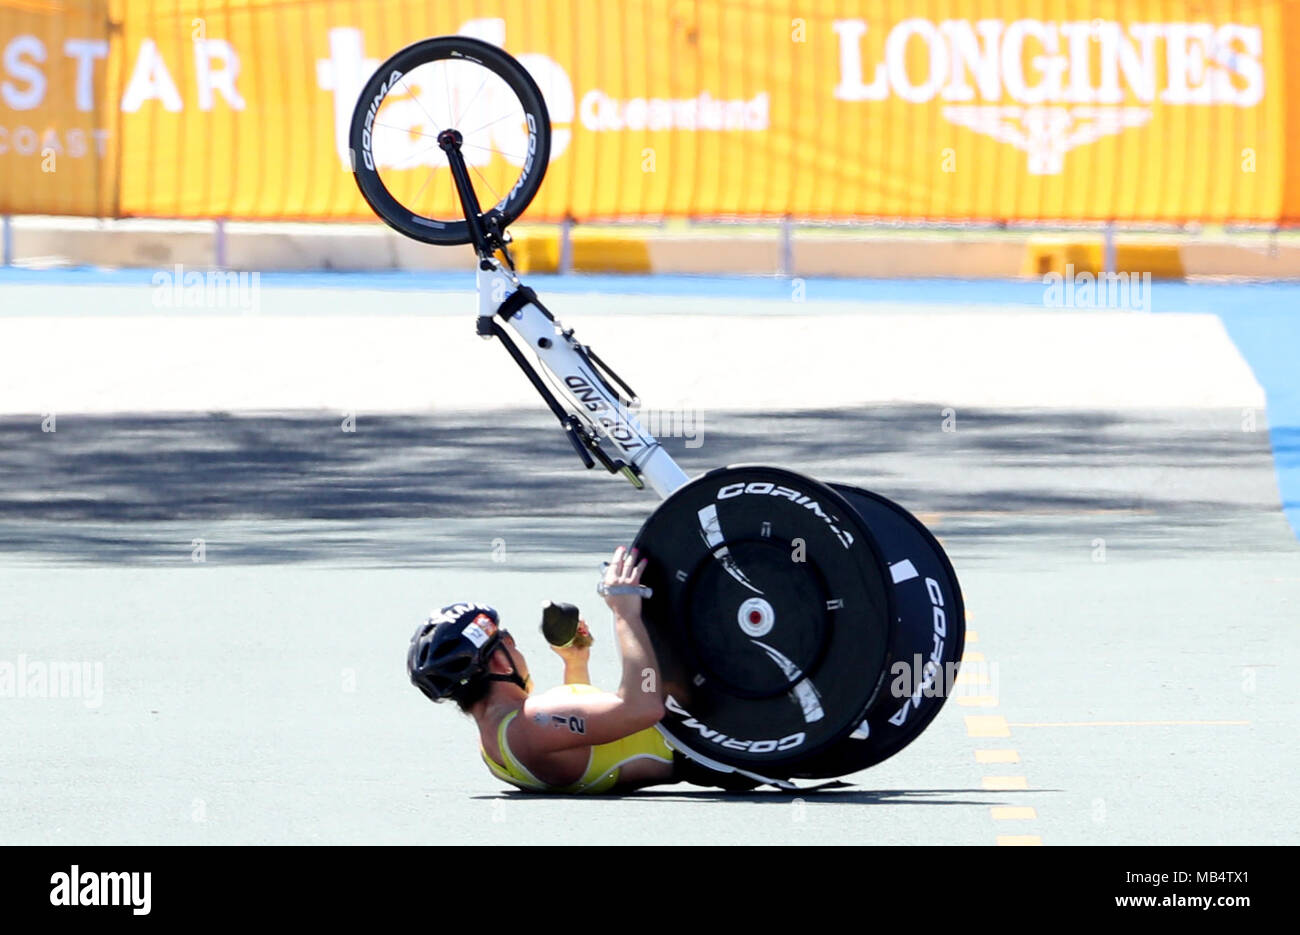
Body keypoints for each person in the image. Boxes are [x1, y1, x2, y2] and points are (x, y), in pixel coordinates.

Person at [407, 545, 758, 793]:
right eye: (508, 641)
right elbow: (642, 708)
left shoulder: (497, 746)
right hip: (713, 737)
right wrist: (624, 611)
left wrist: (576, 665)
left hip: (708, 744)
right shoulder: (531, 723)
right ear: (499, 660)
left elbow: (587, 743)